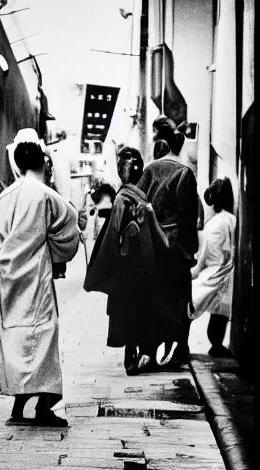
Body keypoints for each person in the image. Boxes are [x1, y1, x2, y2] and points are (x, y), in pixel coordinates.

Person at [0, 128, 79, 426]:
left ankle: (17, 408)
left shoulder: (2, 200)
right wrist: (51, 249)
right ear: (43, 163)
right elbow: (68, 238)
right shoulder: (50, 198)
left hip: (9, 283)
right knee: (42, 340)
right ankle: (42, 408)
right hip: (37, 281)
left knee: (14, 339)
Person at [84, 146, 170, 375]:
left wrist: (106, 271)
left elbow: (111, 238)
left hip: (127, 269)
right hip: (146, 266)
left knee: (129, 312)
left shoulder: (122, 198)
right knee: (142, 310)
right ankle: (140, 353)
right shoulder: (144, 197)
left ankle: (132, 355)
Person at [137, 116, 200, 364]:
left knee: (152, 299)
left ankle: (149, 351)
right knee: (178, 300)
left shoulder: (149, 170)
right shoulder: (184, 173)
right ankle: (177, 349)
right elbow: (188, 219)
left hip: (151, 248)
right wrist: (189, 251)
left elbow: (139, 204)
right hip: (176, 250)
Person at [189, 177, 236, 357]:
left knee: (201, 306)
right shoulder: (231, 220)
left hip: (211, 270)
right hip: (224, 271)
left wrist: (196, 271)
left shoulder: (212, 223)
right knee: (220, 312)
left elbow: (203, 255)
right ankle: (216, 344)